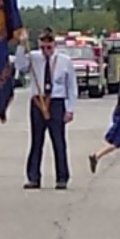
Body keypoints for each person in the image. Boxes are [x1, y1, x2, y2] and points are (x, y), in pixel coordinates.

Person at [14, 27, 77, 190]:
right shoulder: (33, 57)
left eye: (49, 46)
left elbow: (71, 86)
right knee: (36, 141)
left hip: (56, 102)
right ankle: (33, 177)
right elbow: (20, 66)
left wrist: (70, 109)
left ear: (54, 44)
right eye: (42, 46)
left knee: (58, 142)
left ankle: (62, 178)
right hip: (38, 101)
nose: (46, 50)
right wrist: (21, 45)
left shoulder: (64, 61)